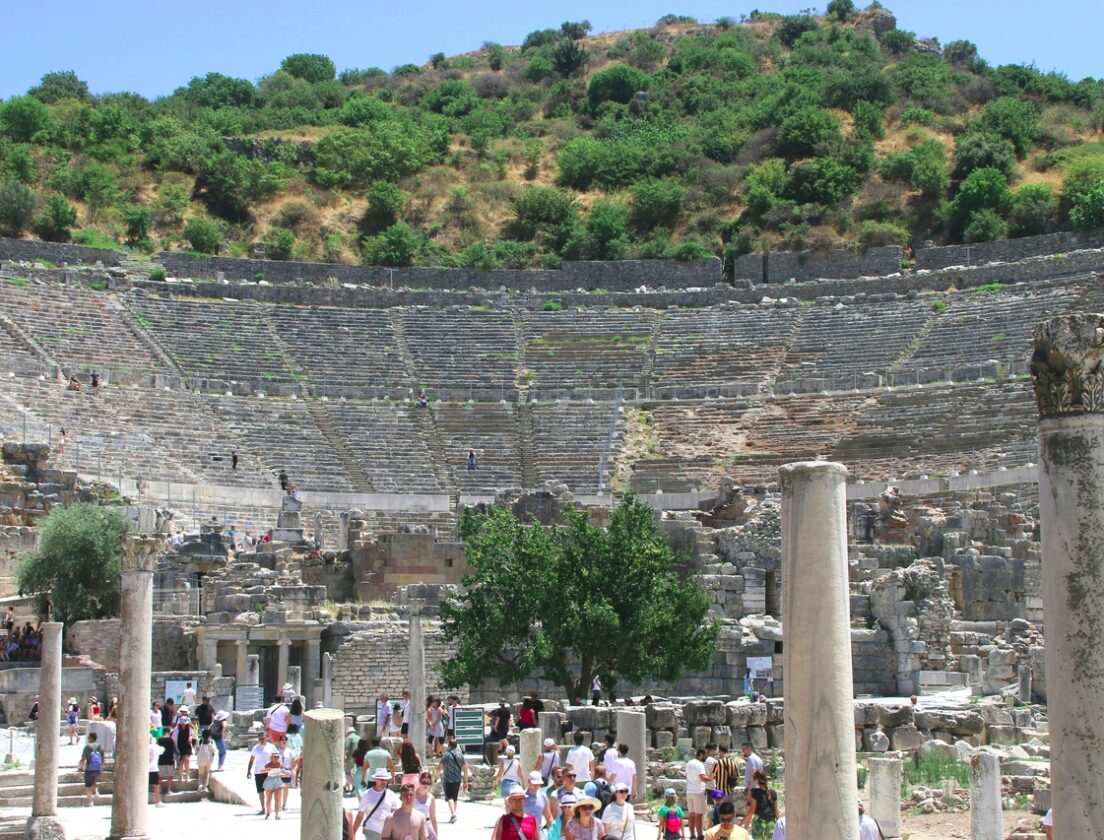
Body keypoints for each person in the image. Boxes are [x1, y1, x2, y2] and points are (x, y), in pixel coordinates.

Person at [354, 768, 400, 840]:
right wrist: (352, 833)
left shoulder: (391, 795)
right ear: (375, 779)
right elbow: (360, 816)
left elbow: (395, 815)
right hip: (371, 831)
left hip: (387, 832)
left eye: (385, 780)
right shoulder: (367, 794)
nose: (384, 782)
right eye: (381, 780)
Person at [438, 736, 468, 823]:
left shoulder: (446, 755)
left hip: (447, 778)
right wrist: (466, 781)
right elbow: (465, 768)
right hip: (457, 779)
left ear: (449, 745)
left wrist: (436, 775)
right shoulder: (460, 755)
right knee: (455, 797)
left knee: (449, 797)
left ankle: (453, 814)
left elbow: (439, 766)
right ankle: (453, 814)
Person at [247, 731, 276, 814]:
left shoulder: (271, 747)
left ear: (266, 737)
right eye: (260, 739)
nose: (262, 740)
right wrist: (248, 771)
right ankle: (263, 808)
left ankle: (269, 807)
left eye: (263, 739)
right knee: (260, 791)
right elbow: (251, 760)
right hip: (258, 772)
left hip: (268, 772)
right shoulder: (256, 748)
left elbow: (276, 758)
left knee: (269, 790)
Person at [686, 747, 711, 840]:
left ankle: (692, 835)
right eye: (705, 756)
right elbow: (702, 778)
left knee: (691, 815)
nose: (705, 758)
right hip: (698, 792)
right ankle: (700, 835)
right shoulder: (700, 764)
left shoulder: (689, 763)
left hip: (689, 791)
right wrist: (710, 778)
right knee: (699, 815)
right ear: (701, 755)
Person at [78, 732, 104, 806]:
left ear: (91, 738)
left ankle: (90, 802)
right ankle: (96, 791)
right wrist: (101, 767)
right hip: (97, 768)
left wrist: (80, 768)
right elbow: (102, 758)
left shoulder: (87, 747)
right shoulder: (99, 747)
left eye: (88, 737)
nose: (88, 738)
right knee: (93, 779)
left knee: (88, 785)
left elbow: (83, 759)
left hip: (89, 768)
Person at [413, 770, 439, 840]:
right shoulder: (412, 794)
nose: (425, 785)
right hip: (413, 827)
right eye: (423, 782)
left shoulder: (431, 798)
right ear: (419, 782)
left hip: (426, 826)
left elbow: (433, 817)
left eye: (428, 783)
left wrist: (436, 834)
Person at [262, 745, 286, 819]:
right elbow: (264, 771)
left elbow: (284, 773)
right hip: (270, 780)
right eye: (275, 757)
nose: (276, 758)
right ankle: (268, 812)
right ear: (271, 757)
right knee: (269, 798)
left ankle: (277, 814)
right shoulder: (267, 765)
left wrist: (281, 775)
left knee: (278, 798)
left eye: (278, 757)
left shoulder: (280, 764)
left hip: (277, 780)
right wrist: (268, 769)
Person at [156, 729, 176, 803]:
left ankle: (160, 790)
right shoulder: (172, 739)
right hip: (170, 760)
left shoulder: (159, 740)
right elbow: (174, 749)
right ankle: (168, 790)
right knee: (170, 776)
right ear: (168, 732)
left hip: (161, 760)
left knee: (159, 777)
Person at [175, 707, 193, 781]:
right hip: (180, 745)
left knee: (187, 760)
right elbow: (175, 737)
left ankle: (187, 776)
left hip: (187, 745)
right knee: (180, 761)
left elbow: (191, 734)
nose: (184, 725)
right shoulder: (177, 729)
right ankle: (180, 776)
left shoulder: (189, 728)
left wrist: (190, 738)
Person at [148, 735, 165, 807]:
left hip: (145, 769)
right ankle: (158, 801)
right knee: (156, 786)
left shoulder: (143, 746)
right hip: (153, 769)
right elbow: (163, 749)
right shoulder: (156, 747)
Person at [344, 727, 360, 794]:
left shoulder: (348, 738)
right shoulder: (359, 738)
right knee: (355, 773)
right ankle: (347, 786)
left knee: (347, 773)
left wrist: (344, 759)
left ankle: (356, 787)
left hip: (351, 757)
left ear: (348, 732)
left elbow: (345, 750)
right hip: (360, 757)